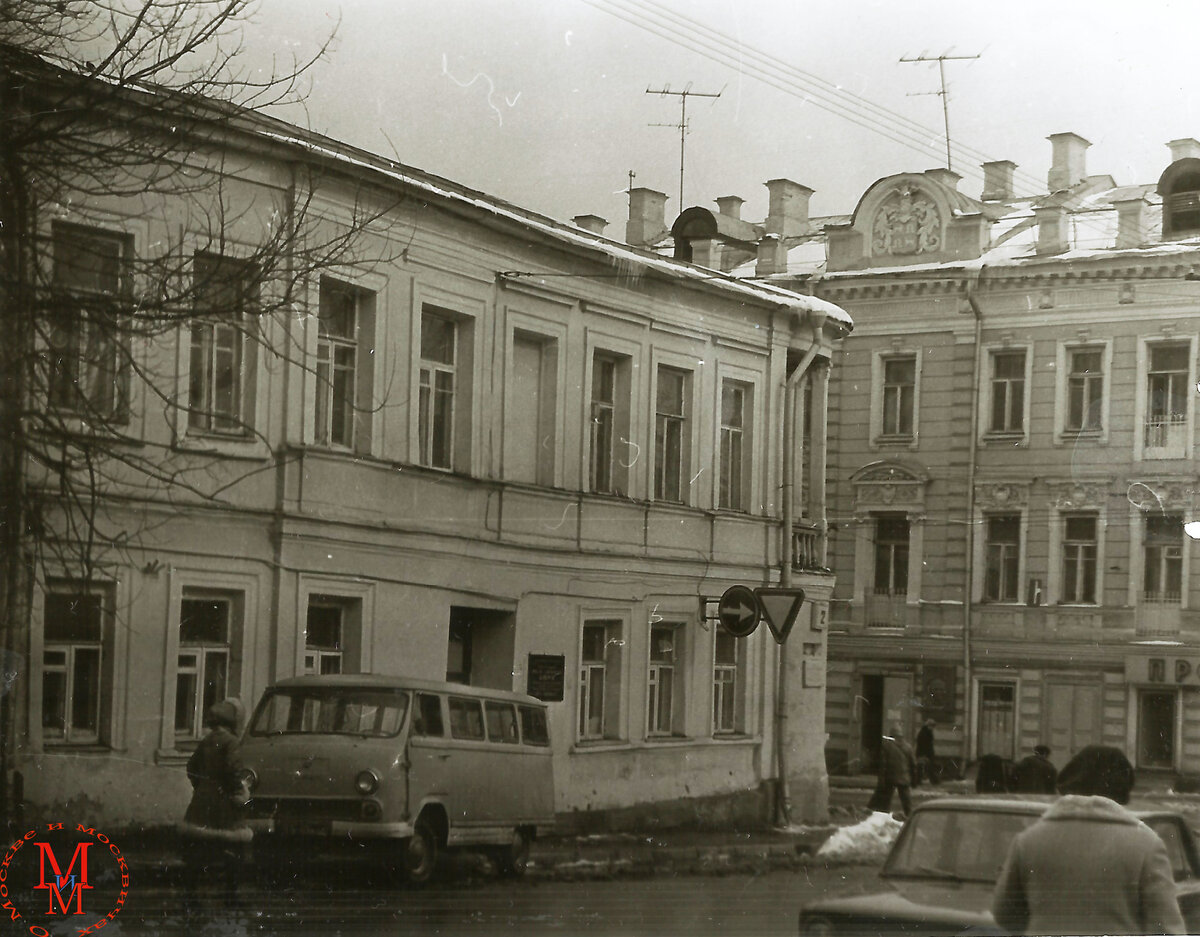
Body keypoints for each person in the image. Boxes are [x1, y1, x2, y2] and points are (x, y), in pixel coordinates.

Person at [992, 745, 1184, 935]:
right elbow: (1166, 928)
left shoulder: (1028, 840)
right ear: (1122, 792)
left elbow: (1005, 916)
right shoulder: (1147, 845)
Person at [182, 698, 251, 897]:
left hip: (202, 801)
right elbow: (233, 770)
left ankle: (190, 896)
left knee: (197, 850)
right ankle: (231, 895)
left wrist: (201, 788)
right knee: (232, 849)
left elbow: (191, 767)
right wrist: (238, 793)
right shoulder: (231, 742)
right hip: (223, 803)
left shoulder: (207, 740)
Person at [867, 722, 916, 818]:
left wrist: (881, 780)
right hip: (904, 778)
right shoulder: (908, 747)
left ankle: (883, 817)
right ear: (901, 735)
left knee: (885, 801)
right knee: (907, 802)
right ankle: (910, 818)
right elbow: (913, 765)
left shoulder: (886, 746)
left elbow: (883, 765)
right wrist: (913, 780)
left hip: (890, 778)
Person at [914, 718, 937, 785]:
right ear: (928, 726)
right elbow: (924, 745)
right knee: (923, 767)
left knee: (923, 767)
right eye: (932, 726)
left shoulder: (926, 732)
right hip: (924, 754)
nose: (933, 728)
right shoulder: (924, 733)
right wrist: (925, 755)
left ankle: (919, 781)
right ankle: (919, 781)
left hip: (924, 753)